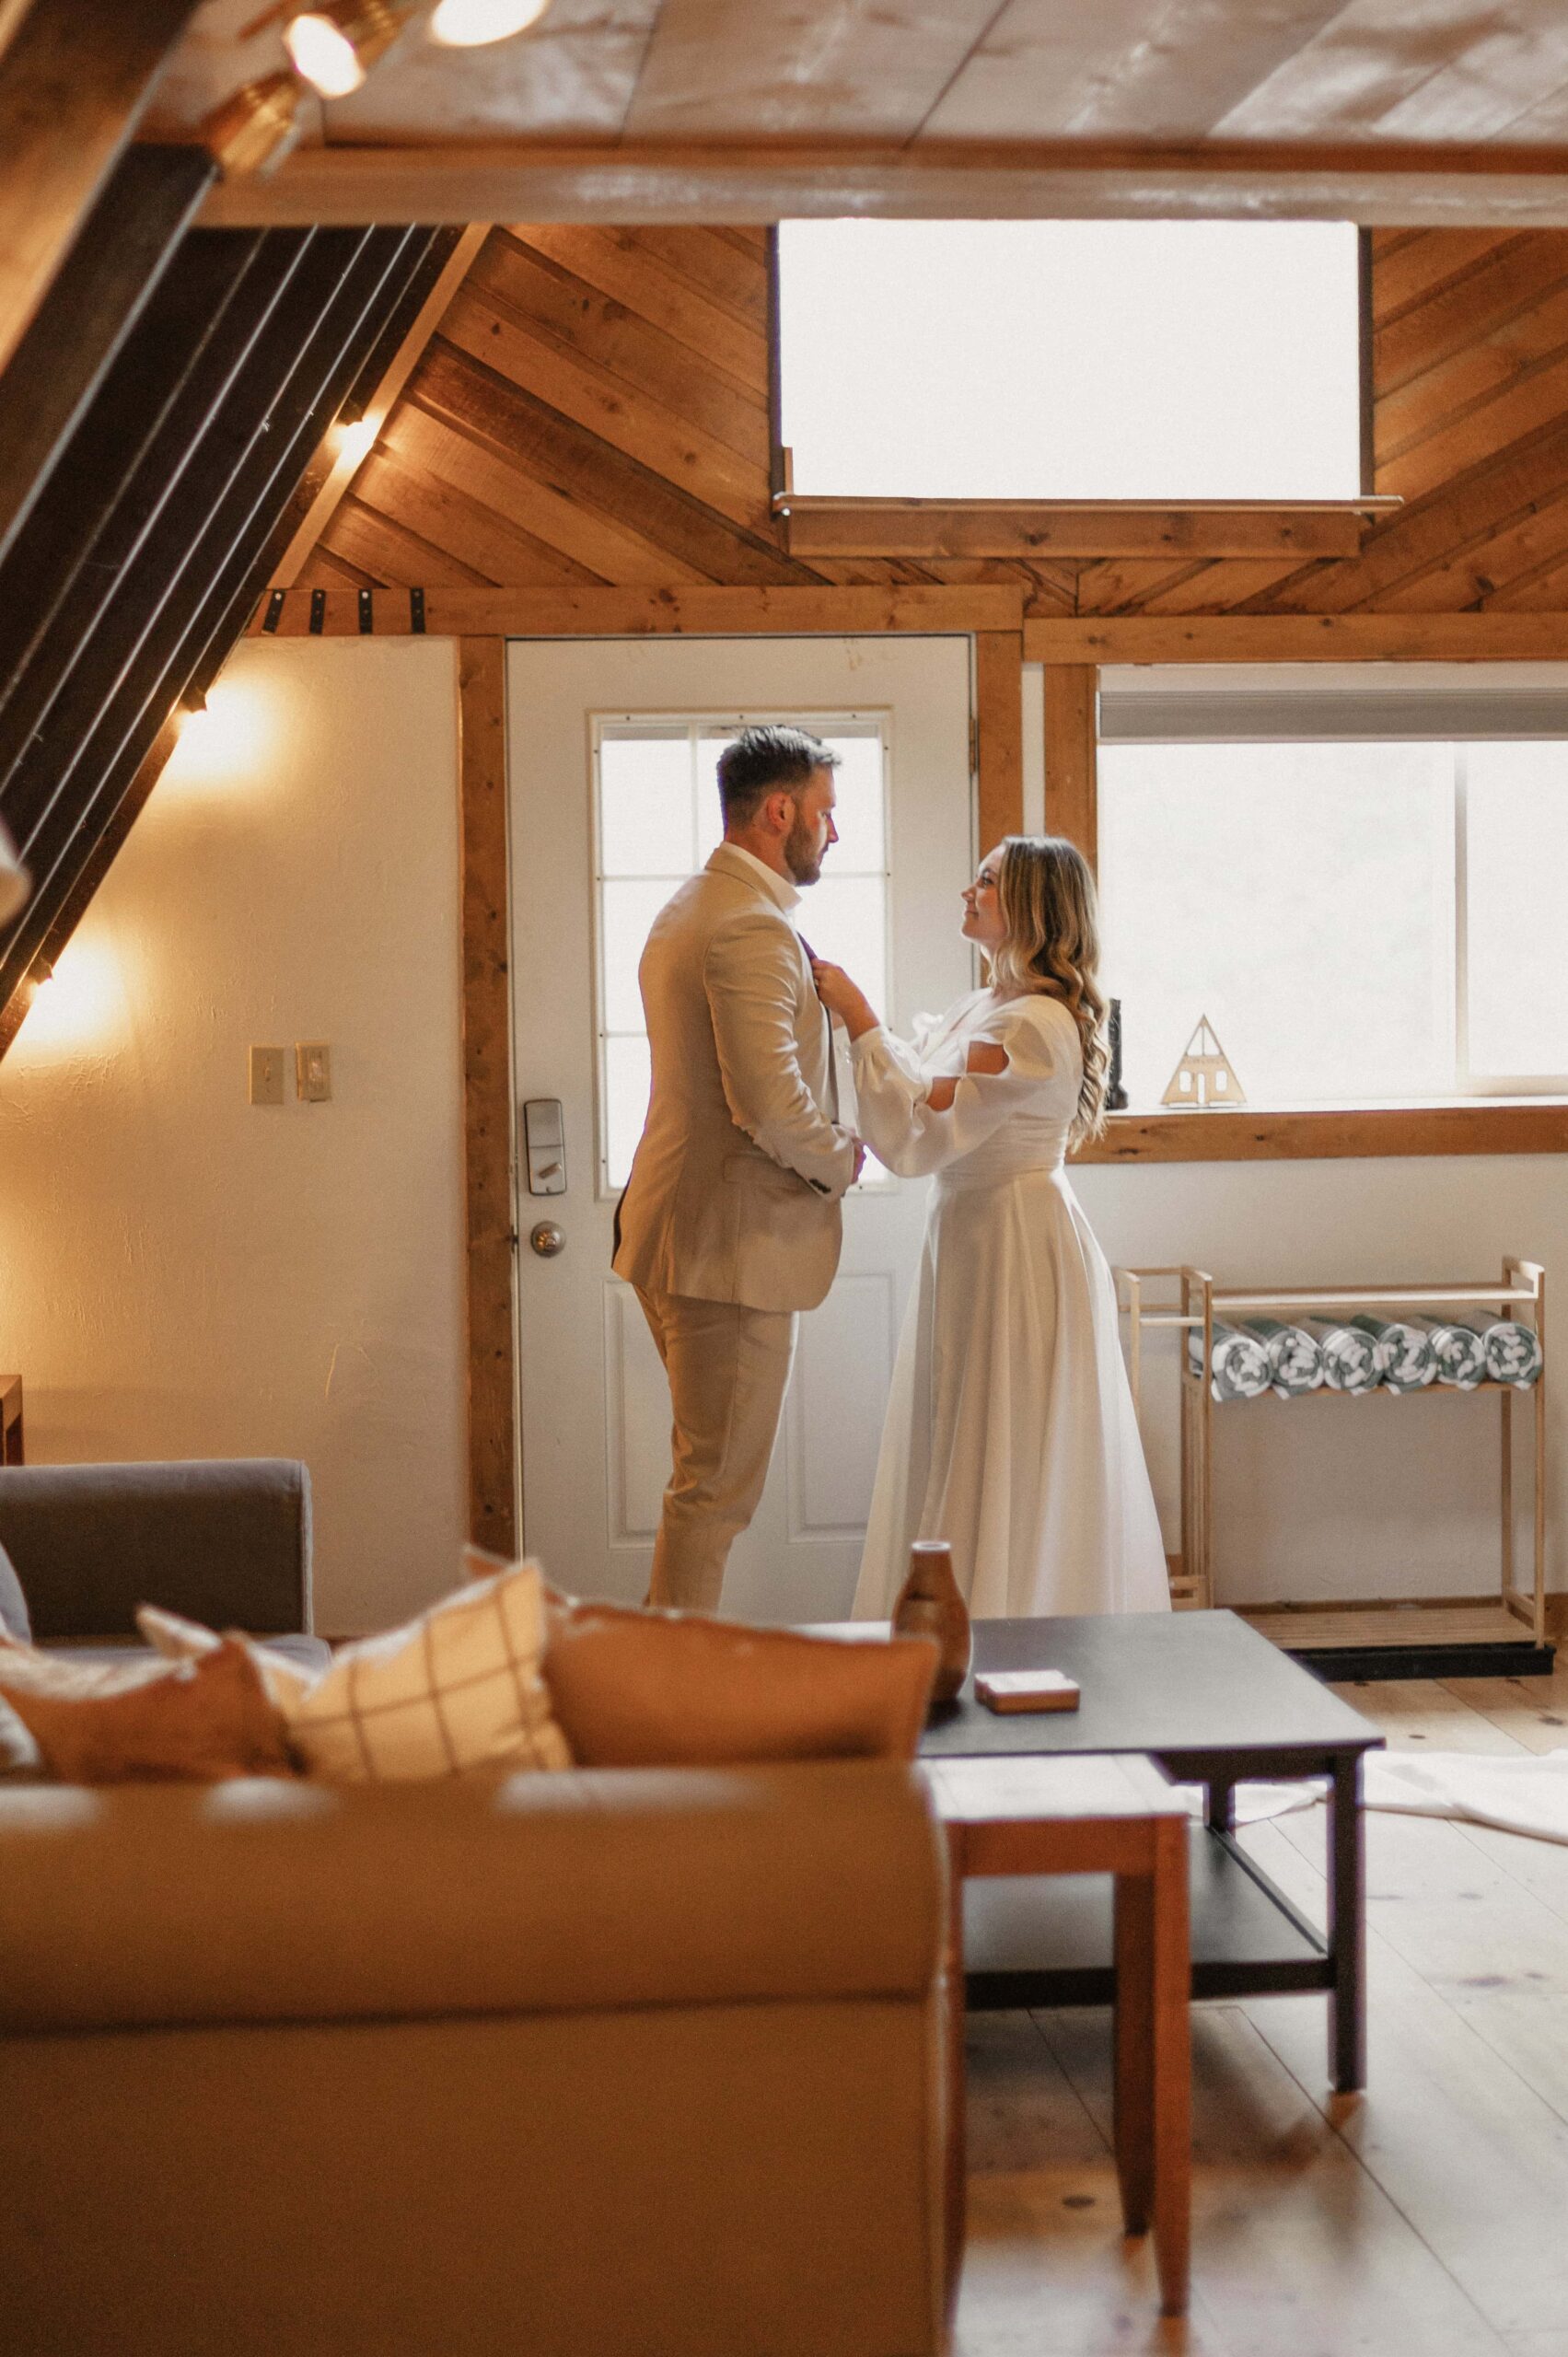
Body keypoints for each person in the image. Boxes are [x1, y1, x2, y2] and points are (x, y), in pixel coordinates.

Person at [811, 834, 1169, 1621]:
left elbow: (922, 1129)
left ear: (1034, 907)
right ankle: (951, 1620)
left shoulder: (1036, 1024)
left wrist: (863, 1019)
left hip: (1014, 1237)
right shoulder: (987, 1007)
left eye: (985, 882)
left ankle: (1007, 1623)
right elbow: (916, 1098)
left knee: (1001, 1435)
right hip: (971, 1230)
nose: (966, 892)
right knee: (960, 1427)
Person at [613, 725, 863, 1611]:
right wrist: (844, 1161)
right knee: (714, 1495)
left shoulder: (692, 905)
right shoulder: (748, 928)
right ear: (779, 811)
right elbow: (766, 1103)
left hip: (685, 1233)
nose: (835, 833)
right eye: (826, 813)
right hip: (729, 1249)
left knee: (705, 1487)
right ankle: (670, 1703)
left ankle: (668, 1683)